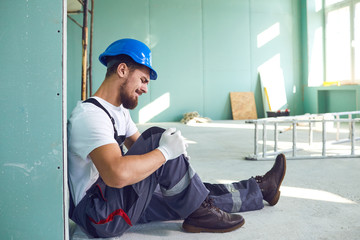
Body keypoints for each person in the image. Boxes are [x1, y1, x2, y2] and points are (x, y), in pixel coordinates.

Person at [67, 38, 286, 238]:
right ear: (122, 70)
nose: (144, 88)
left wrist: (175, 158)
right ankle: (201, 213)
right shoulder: (90, 116)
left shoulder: (119, 111)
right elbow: (117, 174)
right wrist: (166, 152)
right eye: (143, 80)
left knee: (186, 197)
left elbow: (140, 149)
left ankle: (260, 189)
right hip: (99, 213)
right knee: (158, 139)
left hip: (112, 199)